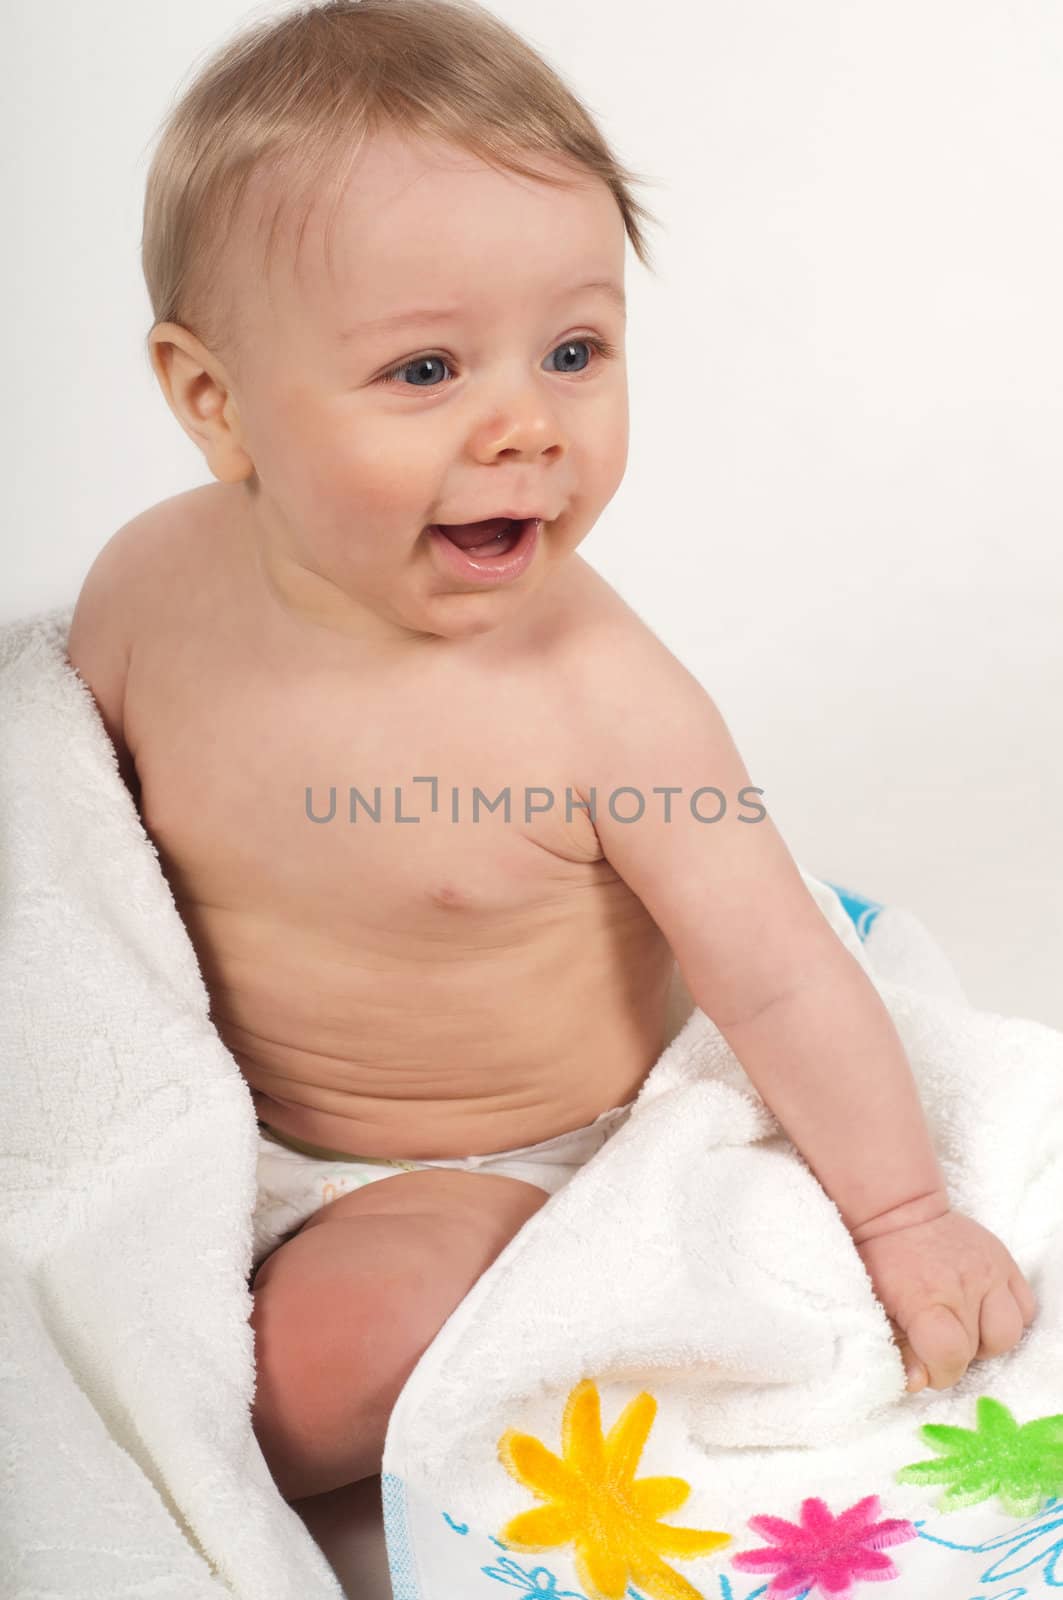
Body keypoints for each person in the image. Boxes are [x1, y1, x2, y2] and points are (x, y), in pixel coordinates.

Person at [65, 0, 1036, 1505]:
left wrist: (905, 1218)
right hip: (211, 1117)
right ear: (214, 400)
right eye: (426, 372)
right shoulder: (144, 591)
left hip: (484, 1164)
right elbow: (62, 846)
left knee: (273, 1404)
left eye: (574, 349)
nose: (527, 423)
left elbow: (776, 970)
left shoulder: (605, 702)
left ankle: (529, 1297)